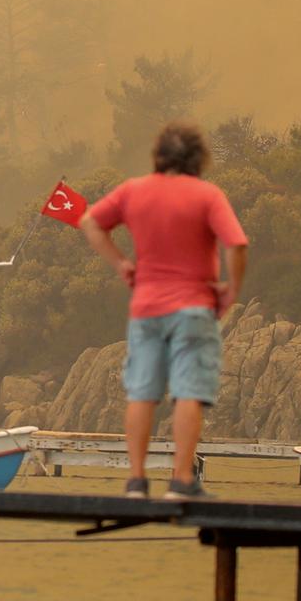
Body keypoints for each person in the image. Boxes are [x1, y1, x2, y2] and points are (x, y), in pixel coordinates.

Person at [79, 121, 248, 500]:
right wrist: (231, 289)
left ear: (159, 155)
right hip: (193, 308)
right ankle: (182, 481)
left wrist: (121, 263)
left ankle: (136, 482)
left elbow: (89, 221)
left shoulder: (133, 191)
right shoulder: (207, 195)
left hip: (146, 309)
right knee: (189, 393)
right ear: (197, 157)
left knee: (142, 393)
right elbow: (236, 245)